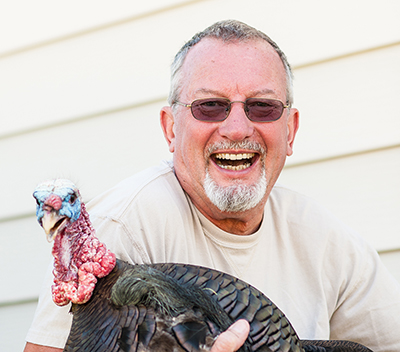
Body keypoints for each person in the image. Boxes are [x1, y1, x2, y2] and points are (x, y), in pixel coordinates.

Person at [24, 20, 400, 352]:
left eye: (263, 107)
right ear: (171, 129)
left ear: (291, 130)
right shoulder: (120, 229)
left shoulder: (329, 243)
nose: (237, 128)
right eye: (210, 106)